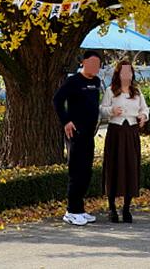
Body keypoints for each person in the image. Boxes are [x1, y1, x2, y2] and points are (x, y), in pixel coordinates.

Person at [52, 49, 102, 226]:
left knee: (87, 172)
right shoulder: (73, 81)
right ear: (83, 62)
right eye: (92, 63)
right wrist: (66, 121)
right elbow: (57, 100)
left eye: (98, 64)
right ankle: (71, 211)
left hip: (89, 133)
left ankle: (80, 209)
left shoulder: (96, 81)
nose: (95, 67)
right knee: (76, 171)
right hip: (75, 133)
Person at [100, 59, 149, 223]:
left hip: (132, 132)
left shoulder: (136, 92)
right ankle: (112, 208)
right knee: (113, 167)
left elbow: (144, 108)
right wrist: (111, 110)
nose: (127, 75)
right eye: (123, 72)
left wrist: (143, 116)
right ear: (118, 74)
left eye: (129, 72)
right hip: (116, 132)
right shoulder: (110, 91)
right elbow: (102, 109)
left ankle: (127, 208)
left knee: (131, 167)